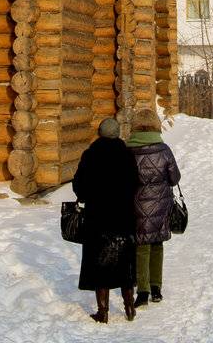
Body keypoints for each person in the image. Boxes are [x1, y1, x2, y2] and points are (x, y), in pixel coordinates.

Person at [72, 118, 139, 324]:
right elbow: (136, 183)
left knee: (99, 264)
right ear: (117, 133)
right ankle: (129, 307)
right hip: (124, 217)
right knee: (125, 262)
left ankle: (103, 312)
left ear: (100, 133)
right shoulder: (127, 155)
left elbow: (79, 188)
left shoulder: (90, 155)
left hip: (98, 219)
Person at [129, 107, 180, 308]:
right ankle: (156, 288)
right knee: (157, 244)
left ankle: (142, 291)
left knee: (141, 246)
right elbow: (174, 178)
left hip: (137, 204)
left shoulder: (129, 150)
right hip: (160, 204)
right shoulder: (164, 149)